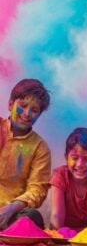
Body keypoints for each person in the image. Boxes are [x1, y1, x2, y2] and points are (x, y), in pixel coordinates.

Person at [0, 78, 51, 229]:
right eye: (23, 106)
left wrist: (10, 209)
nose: (27, 113)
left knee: (32, 217)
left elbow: (37, 189)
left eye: (35, 110)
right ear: (10, 104)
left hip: (11, 213)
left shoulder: (39, 147)